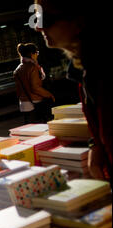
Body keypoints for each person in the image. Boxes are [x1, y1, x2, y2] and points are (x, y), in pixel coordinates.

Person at [34, 0, 111, 185]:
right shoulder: (84, 69)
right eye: (36, 18)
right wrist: (97, 145)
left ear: (79, 21)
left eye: (46, 19)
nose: (38, 27)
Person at [13, 42, 55, 124]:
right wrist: (49, 94)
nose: (37, 55)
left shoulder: (18, 69)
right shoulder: (32, 67)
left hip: (23, 104)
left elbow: (18, 89)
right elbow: (35, 88)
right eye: (37, 53)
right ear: (32, 54)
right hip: (34, 102)